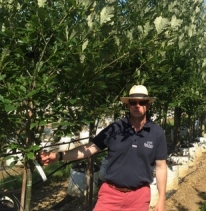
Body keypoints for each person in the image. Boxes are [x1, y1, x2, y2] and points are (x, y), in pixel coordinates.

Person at [40, 85, 168, 211]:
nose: (137, 106)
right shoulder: (115, 128)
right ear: (128, 105)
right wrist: (58, 156)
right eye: (133, 102)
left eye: (142, 102)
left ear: (148, 105)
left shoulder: (157, 133)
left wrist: (162, 198)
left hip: (138, 197)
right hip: (110, 194)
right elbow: (89, 148)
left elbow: (161, 166)